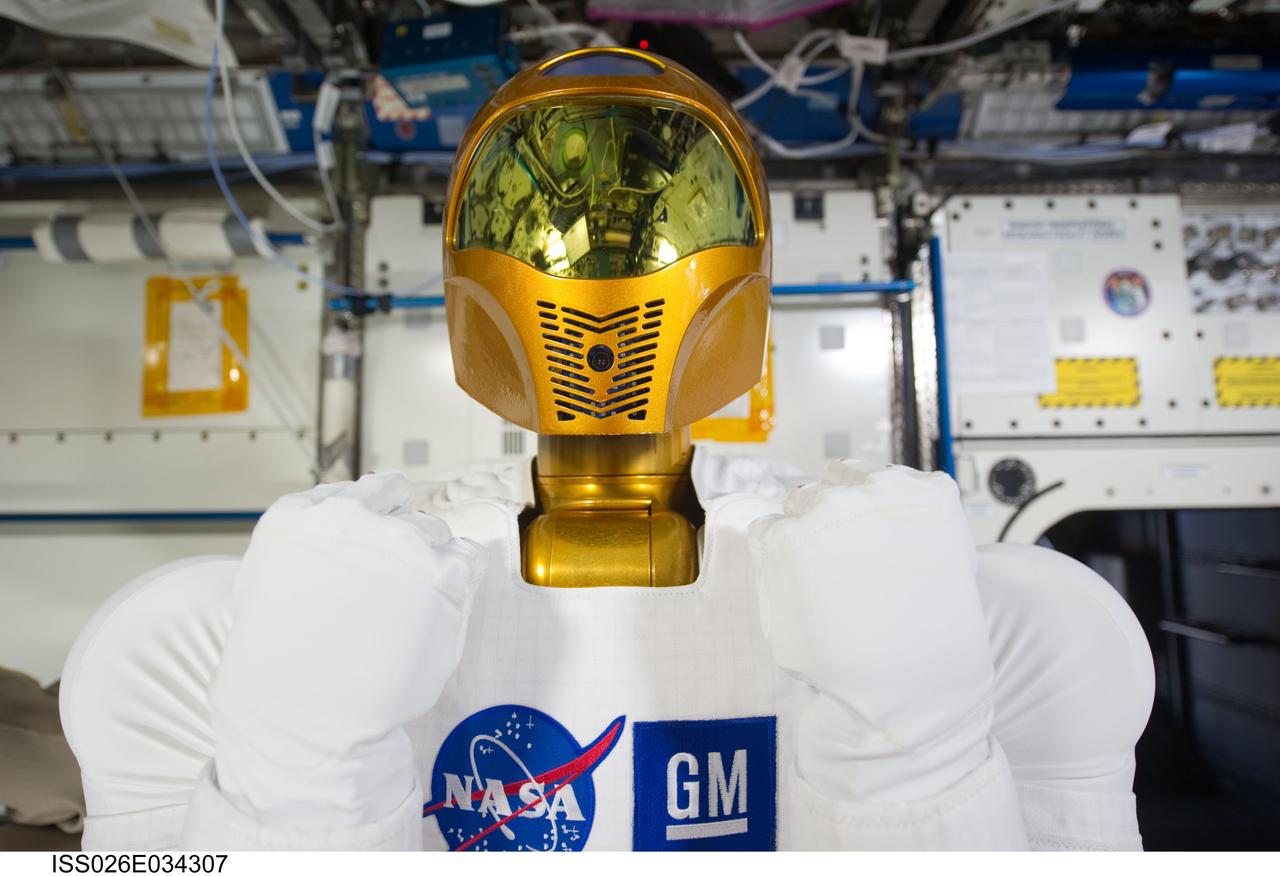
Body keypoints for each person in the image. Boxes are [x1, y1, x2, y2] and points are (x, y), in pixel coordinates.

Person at [59, 48, 1154, 852]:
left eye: (656, 209)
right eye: (538, 207)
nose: (596, 283)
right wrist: (287, 793)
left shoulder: (1013, 632)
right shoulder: (197, 646)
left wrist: (910, 770)